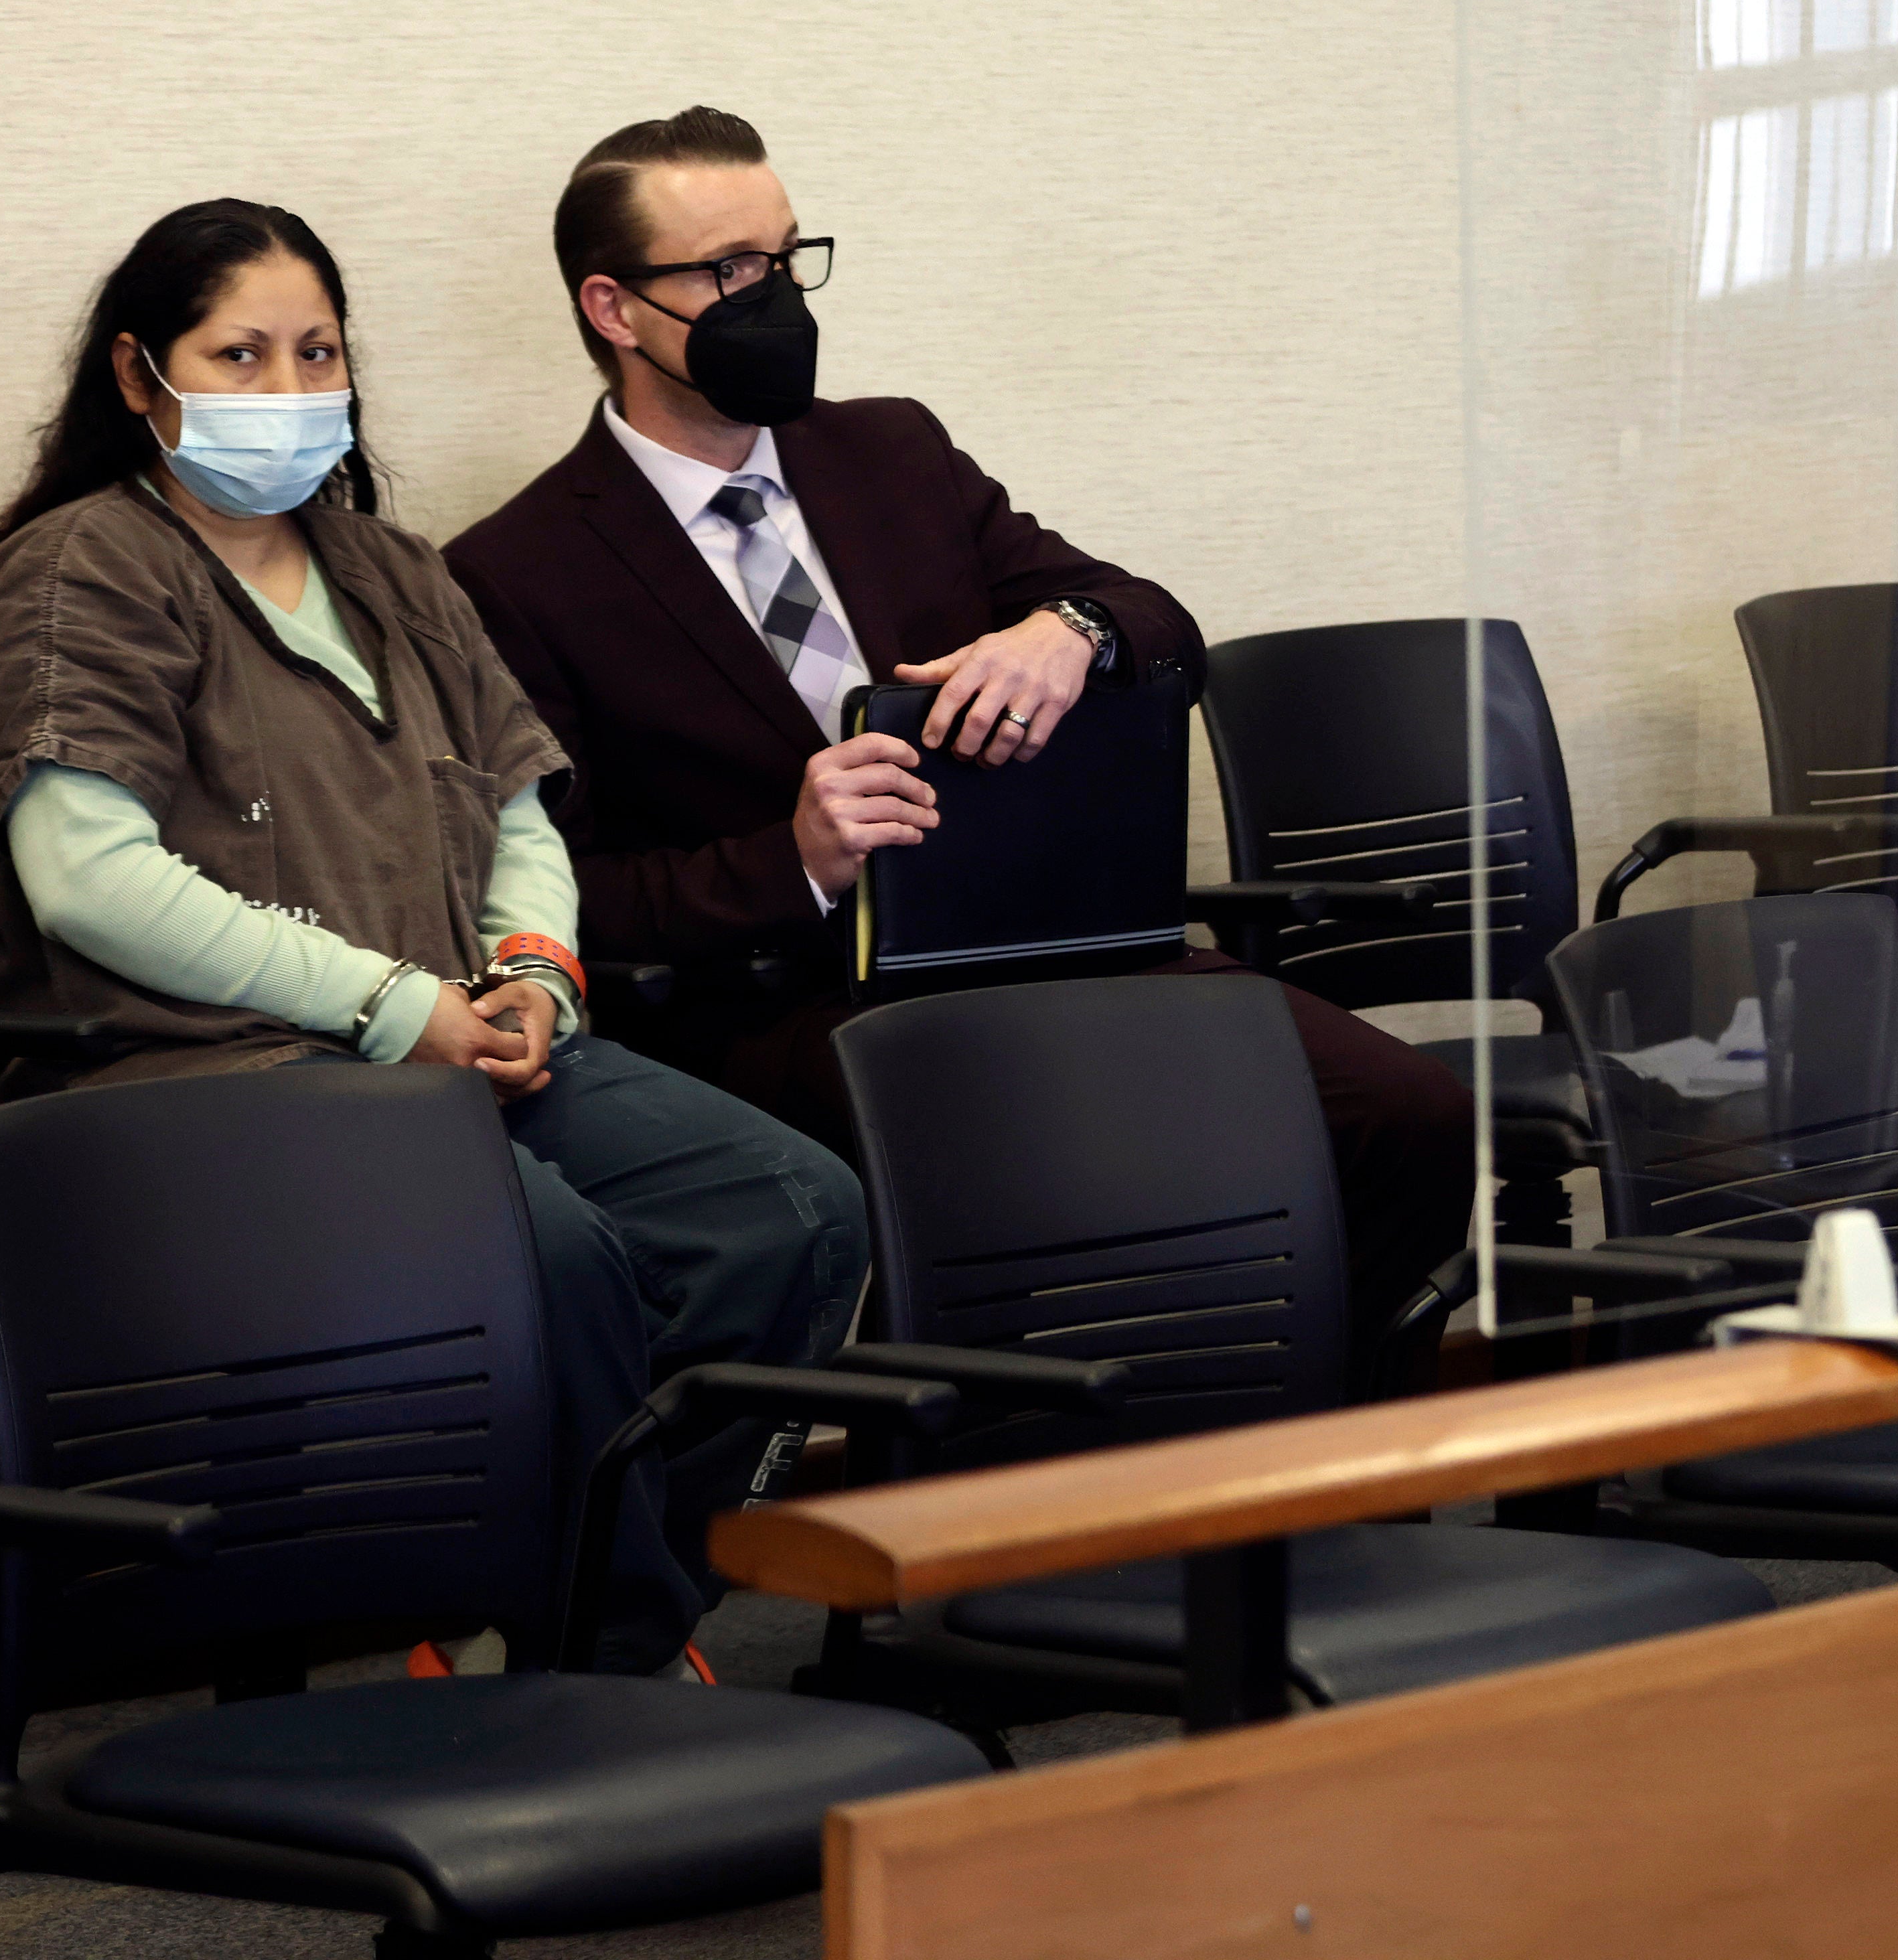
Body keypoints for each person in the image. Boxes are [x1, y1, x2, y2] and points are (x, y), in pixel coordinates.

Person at [0, 199, 864, 1676]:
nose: (288, 390)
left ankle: (562, 1595)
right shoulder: (78, 571)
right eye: (239, 353)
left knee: (793, 1213)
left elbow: (520, 806)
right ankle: (594, 1652)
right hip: (194, 1079)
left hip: (445, 1048)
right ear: (138, 376)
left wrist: (535, 969)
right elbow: (89, 881)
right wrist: (390, 1004)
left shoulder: (397, 572)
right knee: (564, 1256)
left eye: (317, 351)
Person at [443, 108, 1473, 1375]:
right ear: (614, 308)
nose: (773, 299)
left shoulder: (892, 450)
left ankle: (1255, 1439)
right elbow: (566, 902)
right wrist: (800, 857)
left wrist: (1069, 630)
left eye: (785, 257)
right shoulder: (515, 570)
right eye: (728, 272)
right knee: (1049, 1148)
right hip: (798, 1003)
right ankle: (1029, 1499)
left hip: (1044, 944)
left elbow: (1161, 626)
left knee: (1414, 1116)